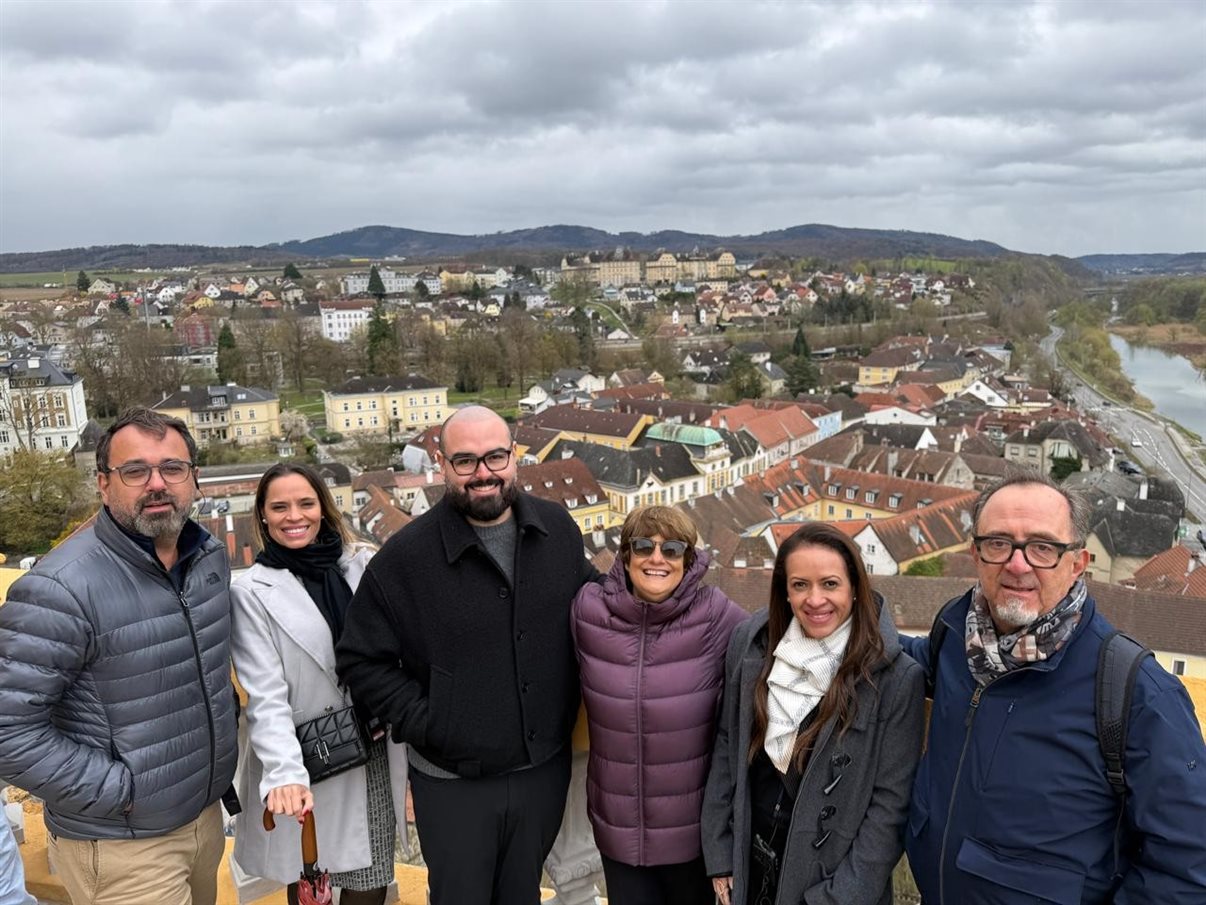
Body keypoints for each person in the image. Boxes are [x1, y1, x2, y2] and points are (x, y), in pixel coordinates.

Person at [335, 405, 600, 905]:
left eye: (495, 456)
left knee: (521, 896)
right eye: (465, 461)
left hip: (542, 771)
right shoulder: (405, 559)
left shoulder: (556, 529)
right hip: (453, 784)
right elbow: (360, 659)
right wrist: (431, 721)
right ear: (442, 465)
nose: (483, 473)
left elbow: (598, 603)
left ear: (514, 456)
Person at [902, 471, 1206, 902]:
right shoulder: (955, 635)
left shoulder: (1134, 692)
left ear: (1077, 563)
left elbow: (1188, 867)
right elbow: (907, 660)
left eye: (1043, 547)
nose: (1018, 564)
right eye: (998, 543)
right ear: (976, 554)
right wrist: (834, 624)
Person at [0, 407, 237, 905]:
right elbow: (7, 729)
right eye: (135, 471)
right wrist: (121, 792)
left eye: (172, 468)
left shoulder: (207, 558)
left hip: (202, 819)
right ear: (104, 485)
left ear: (194, 478)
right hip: (121, 847)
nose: (157, 483)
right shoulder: (59, 588)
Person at [702, 522, 925, 905]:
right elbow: (727, 745)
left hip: (828, 883)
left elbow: (890, 810)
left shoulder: (895, 677)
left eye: (830, 584)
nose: (815, 599)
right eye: (800, 584)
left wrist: (835, 898)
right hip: (750, 866)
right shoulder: (753, 643)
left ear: (854, 588)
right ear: (785, 591)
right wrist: (721, 851)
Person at [229, 464, 408, 905]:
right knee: (310, 876)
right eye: (280, 507)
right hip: (306, 758)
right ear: (263, 515)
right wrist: (286, 773)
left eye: (306, 503)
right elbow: (265, 696)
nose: (295, 516)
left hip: (371, 751)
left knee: (370, 877)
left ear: (323, 509)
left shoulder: (360, 565)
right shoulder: (252, 592)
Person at [571, 505, 747, 904]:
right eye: (643, 546)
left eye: (671, 549)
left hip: (693, 837)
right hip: (618, 831)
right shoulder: (588, 611)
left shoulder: (716, 615)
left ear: (688, 560)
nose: (657, 558)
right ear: (625, 555)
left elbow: (776, 647)